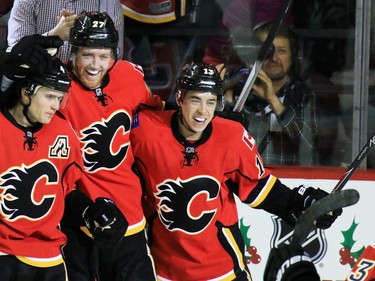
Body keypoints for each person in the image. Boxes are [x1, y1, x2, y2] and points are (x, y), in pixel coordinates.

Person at [130, 62, 341, 280]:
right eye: (196, 100)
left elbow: (260, 189)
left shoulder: (231, 137)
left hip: (224, 272)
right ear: (181, 98)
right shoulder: (145, 132)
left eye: (210, 102)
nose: (203, 111)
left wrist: (302, 204)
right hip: (163, 272)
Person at [0, 51, 126, 281]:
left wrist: (91, 210)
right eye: (49, 97)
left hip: (50, 258)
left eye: (59, 98)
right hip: (4, 254)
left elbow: (65, 193)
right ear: (25, 93)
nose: (55, 106)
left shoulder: (63, 133)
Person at [59, 11, 163, 281]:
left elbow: (156, 119)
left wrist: (215, 121)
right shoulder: (55, 86)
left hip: (129, 217)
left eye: (103, 56)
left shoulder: (128, 76)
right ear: (72, 53)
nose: (95, 65)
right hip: (75, 225)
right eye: (87, 55)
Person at [239, 21, 318, 165]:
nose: (274, 58)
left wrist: (272, 100)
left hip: (286, 182)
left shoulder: (302, 94)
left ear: (292, 56)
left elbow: (309, 145)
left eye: (281, 51)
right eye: (267, 50)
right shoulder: (241, 94)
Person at [7, 0, 124, 62]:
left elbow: (116, 56)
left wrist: (85, 37)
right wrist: (54, 36)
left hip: (87, 86)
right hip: (39, 83)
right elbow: (15, 53)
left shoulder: (110, 3)